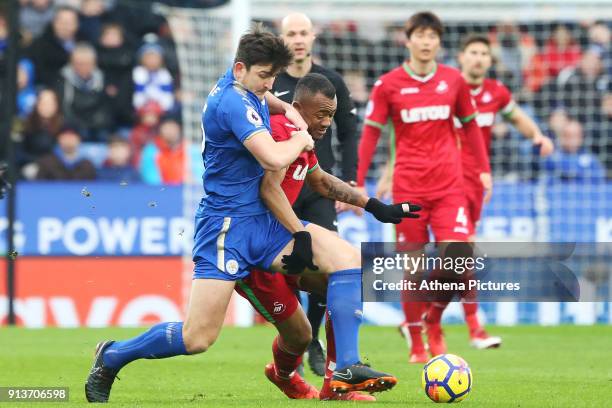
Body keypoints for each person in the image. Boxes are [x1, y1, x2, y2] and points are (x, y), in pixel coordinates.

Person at [85, 25, 400, 403]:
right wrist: (301, 137)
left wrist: (285, 107)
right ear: (239, 69)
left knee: (347, 263)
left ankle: (343, 372)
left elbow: (272, 110)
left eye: (272, 76)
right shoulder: (231, 103)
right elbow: (272, 158)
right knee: (197, 338)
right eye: (265, 76)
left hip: (264, 225)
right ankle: (114, 354)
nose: (270, 84)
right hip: (226, 229)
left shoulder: (242, 88)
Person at [236, 73, 420, 401]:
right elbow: (269, 189)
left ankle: (339, 379)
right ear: (296, 107)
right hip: (251, 250)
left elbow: (321, 182)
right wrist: (301, 235)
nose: (326, 123)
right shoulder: (280, 134)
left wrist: (375, 205)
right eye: (320, 114)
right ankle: (283, 375)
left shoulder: (303, 140)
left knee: (345, 272)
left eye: (331, 116)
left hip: (278, 240)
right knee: (298, 336)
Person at [357, 11, 491, 363]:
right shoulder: (388, 85)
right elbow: (371, 132)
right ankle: (417, 342)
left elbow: (471, 126)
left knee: (459, 255)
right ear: (408, 39)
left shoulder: (454, 81)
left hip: (449, 187)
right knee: (413, 268)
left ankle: (433, 318)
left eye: (433, 36)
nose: (427, 41)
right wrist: (359, 180)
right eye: (421, 35)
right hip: (409, 189)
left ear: (439, 42)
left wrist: (484, 171)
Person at [418, 33, 554, 350]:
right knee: (461, 255)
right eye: (473, 52)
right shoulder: (446, 88)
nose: (478, 58)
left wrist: (537, 136)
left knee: (456, 259)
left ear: (490, 61)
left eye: (484, 53)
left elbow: (518, 118)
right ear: (461, 57)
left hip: (477, 183)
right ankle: (474, 326)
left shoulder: (496, 93)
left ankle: (426, 312)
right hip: (445, 180)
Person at [273, 12, 359, 376]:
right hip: (280, 187)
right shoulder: (271, 82)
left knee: (334, 268)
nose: (297, 39)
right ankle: (299, 337)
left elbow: (349, 131)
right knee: (288, 269)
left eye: (303, 33)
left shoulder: (330, 81)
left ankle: (315, 343)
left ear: (313, 37)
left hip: (318, 185)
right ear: (282, 38)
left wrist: (351, 180)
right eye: (290, 33)